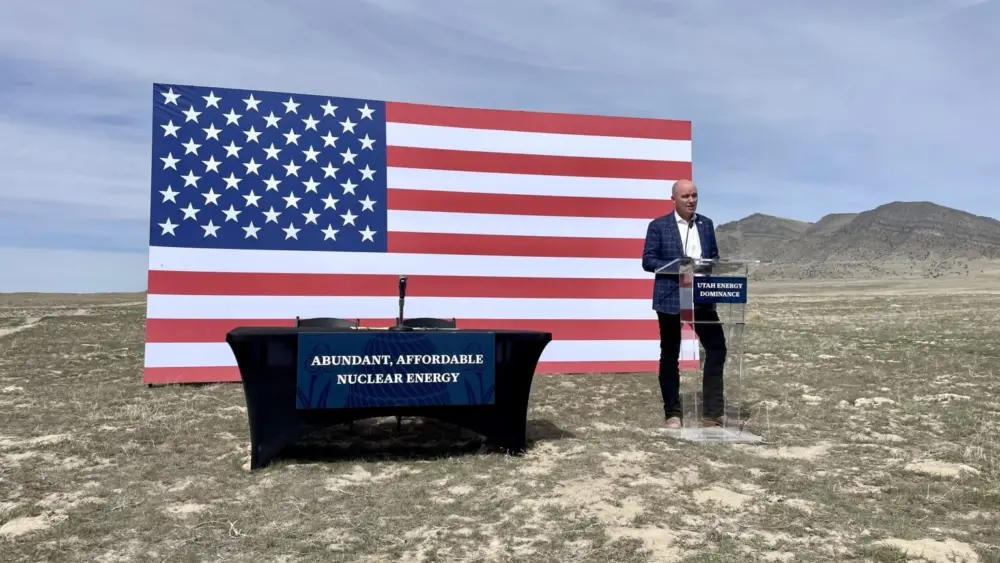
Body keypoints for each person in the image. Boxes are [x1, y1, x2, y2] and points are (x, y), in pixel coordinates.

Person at [641, 179, 727, 429]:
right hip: (670, 297)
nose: (691, 200)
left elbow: (715, 257)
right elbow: (648, 260)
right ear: (674, 200)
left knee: (717, 347)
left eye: (694, 195)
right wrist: (677, 267)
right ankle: (673, 413)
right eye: (686, 196)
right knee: (670, 354)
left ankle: (712, 412)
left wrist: (709, 266)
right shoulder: (658, 226)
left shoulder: (707, 224)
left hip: (701, 296)